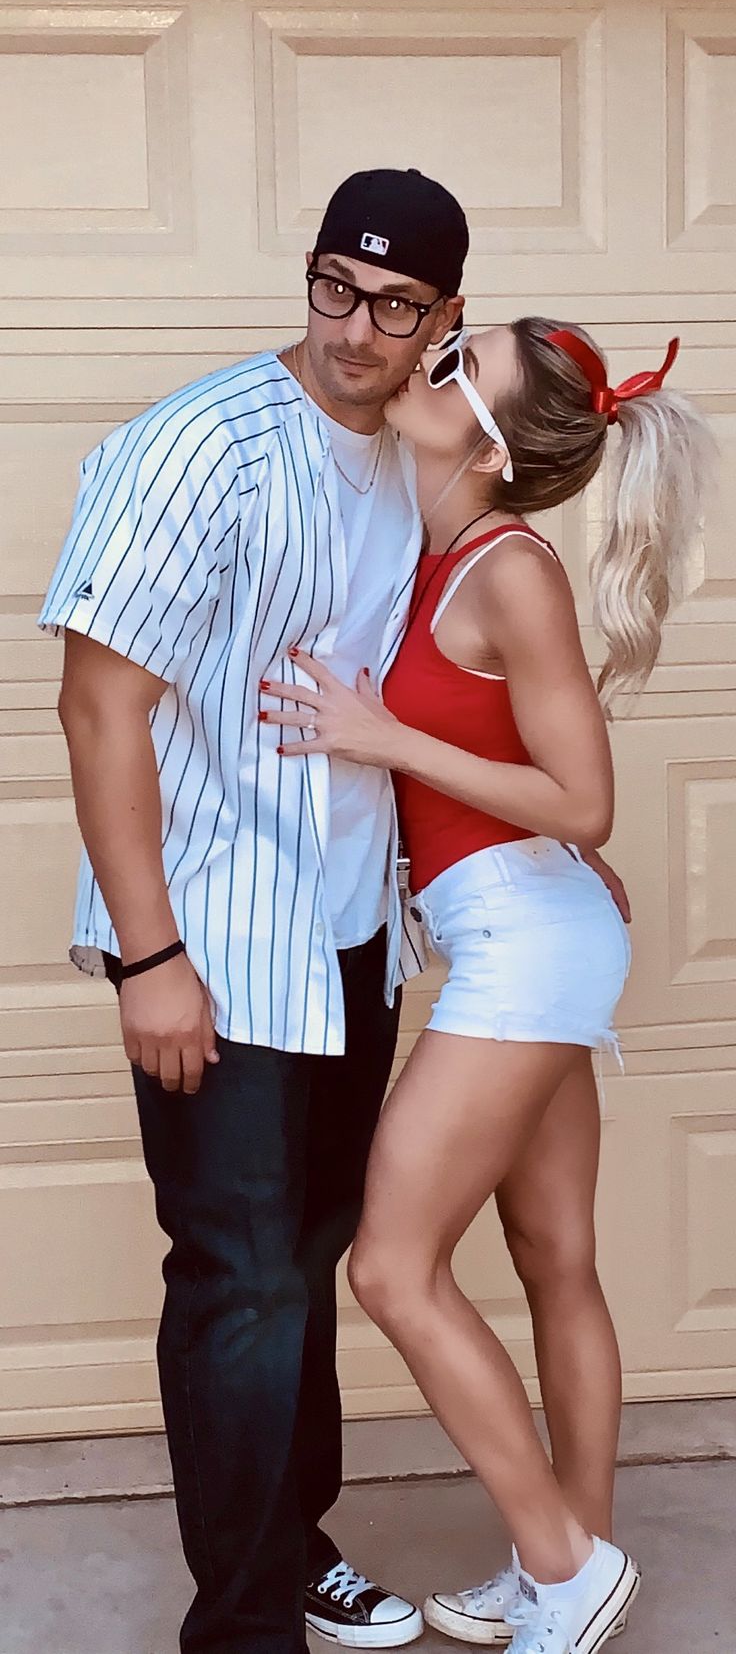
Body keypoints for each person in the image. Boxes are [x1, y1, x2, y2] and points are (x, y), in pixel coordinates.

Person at [39, 167, 471, 1654]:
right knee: (234, 1278)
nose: (355, 329)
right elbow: (99, 708)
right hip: (214, 942)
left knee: (304, 1259)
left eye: (395, 305)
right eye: (332, 289)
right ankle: (239, 1627)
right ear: (310, 276)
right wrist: (151, 956)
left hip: (353, 932)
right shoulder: (198, 448)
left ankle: (293, 1545)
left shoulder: (417, 456)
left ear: (441, 319)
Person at [257, 321, 716, 1654]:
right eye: (450, 344)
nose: (427, 364)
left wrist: (379, 735)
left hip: (528, 943)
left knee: (394, 1266)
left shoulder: (510, 570)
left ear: (497, 445)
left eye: (461, 368)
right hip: (529, 923)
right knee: (552, 1257)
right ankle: (564, 1553)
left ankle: (565, 1566)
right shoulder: (434, 548)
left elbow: (588, 797)